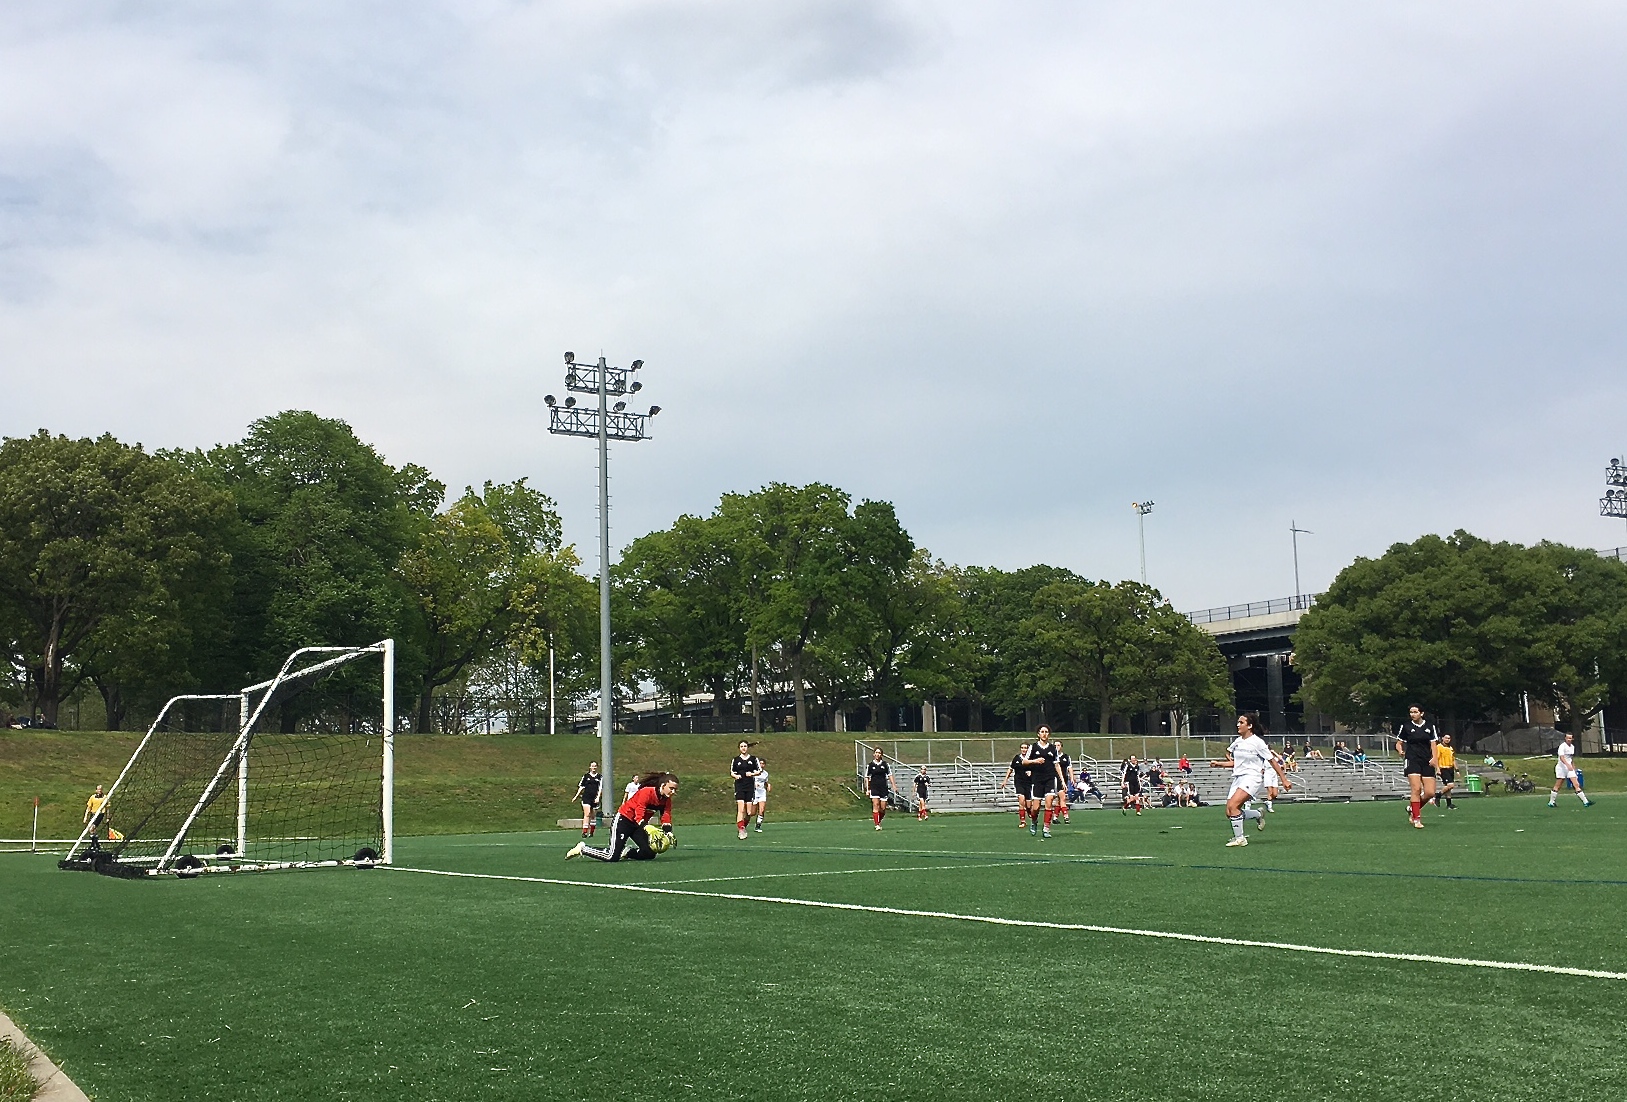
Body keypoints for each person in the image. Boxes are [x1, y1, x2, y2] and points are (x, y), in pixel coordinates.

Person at [1211, 712, 1289, 846]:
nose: (1238, 725)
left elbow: (1272, 761)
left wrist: (1284, 779)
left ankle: (1240, 839)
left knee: (1234, 806)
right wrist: (1220, 764)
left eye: (1241, 722)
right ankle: (1257, 814)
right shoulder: (1238, 741)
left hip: (1252, 778)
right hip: (1238, 778)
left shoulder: (1258, 743)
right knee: (1229, 812)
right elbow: (1237, 762)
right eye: (1238, 722)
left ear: (1250, 726)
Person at [567, 773, 678, 862]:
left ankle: (627, 852)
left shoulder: (666, 800)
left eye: (675, 789)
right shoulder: (647, 792)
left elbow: (666, 815)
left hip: (637, 825)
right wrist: (647, 827)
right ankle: (583, 848)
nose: (673, 792)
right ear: (663, 786)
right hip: (623, 820)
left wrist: (668, 832)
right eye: (671, 788)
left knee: (649, 853)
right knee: (612, 857)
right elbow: (639, 811)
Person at [1394, 705, 1440, 828]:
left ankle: (1412, 809)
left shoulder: (1430, 726)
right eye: (1411, 712)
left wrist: (1434, 758)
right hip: (1412, 759)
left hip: (1427, 760)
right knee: (1416, 789)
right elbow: (1399, 743)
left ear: (1422, 713)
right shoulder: (1406, 726)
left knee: (1430, 793)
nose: (1413, 714)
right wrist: (1400, 750)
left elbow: (1433, 744)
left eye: (1415, 712)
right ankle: (1416, 819)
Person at [1023, 727, 1065, 838]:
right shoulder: (1033, 747)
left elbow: (1057, 764)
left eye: (1046, 732)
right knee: (1035, 808)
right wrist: (1035, 761)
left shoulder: (1052, 748)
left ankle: (1046, 828)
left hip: (1050, 778)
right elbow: (1024, 761)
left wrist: (1062, 780)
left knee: (1049, 801)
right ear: (1038, 734)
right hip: (1037, 780)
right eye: (1042, 732)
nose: (1044, 734)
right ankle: (1034, 821)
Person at [1549, 732, 1593, 809]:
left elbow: (1571, 758)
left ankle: (1585, 802)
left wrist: (1573, 766)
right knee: (1558, 785)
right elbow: (1562, 758)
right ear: (1565, 738)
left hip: (1569, 768)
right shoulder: (1562, 746)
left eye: (1570, 738)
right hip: (1561, 768)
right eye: (1568, 738)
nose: (1569, 739)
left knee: (1576, 784)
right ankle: (1551, 802)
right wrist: (1567, 765)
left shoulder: (1572, 747)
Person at [731, 740, 762, 840]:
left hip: (750, 786)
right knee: (741, 809)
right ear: (739, 748)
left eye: (745, 746)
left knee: (749, 812)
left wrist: (752, 774)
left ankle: (743, 826)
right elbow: (732, 772)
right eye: (741, 746)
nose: (743, 748)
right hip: (739, 786)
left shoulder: (753, 759)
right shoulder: (735, 760)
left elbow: (759, 771)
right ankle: (741, 830)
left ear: (747, 747)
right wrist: (736, 776)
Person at [998, 743, 1032, 829]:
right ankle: (1023, 821)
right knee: (1021, 800)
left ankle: (1029, 812)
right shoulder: (1016, 758)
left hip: (1028, 783)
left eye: (1025, 748)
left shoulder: (1031, 759)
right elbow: (1010, 769)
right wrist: (1005, 780)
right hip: (1019, 782)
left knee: (1028, 805)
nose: (1024, 750)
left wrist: (1032, 772)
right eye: (1022, 748)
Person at [865, 747, 895, 829]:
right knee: (876, 805)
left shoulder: (885, 764)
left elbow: (890, 775)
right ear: (874, 754)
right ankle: (877, 824)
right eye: (876, 752)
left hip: (883, 788)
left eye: (879, 753)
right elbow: (867, 777)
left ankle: (878, 820)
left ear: (881, 754)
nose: (877, 754)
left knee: (883, 808)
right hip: (874, 788)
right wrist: (868, 789)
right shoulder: (870, 765)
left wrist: (894, 785)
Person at [573, 763, 602, 838]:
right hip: (586, 797)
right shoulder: (586, 776)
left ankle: (591, 832)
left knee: (593, 815)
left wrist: (598, 797)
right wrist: (576, 796)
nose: (594, 767)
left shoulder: (599, 777)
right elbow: (581, 787)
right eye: (592, 766)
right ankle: (584, 832)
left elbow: (600, 788)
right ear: (590, 767)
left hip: (595, 798)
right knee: (587, 813)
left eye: (595, 766)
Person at [1433, 735, 1457, 809]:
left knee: (1449, 788)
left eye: (1449, 738)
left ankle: (1449, 804)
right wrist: (1437, 768)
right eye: (1446, 738)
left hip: (1450, 768)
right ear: (1442, 738)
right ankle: (1438, 796)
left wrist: (1457, 769)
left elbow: (1453, 759)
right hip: (1443, 768)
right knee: (1451, 785)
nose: (1447, 739)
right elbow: (1436, 758)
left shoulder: (1450, 748)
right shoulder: (1439, 747)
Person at [1055, 745, 1075, 823]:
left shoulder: (1066, 757)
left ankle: (1055, 817)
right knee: (1062, 798)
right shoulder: (1052, 756)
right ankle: (1066, 817)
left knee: (1059, 799)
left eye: (1058, 745)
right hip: (1055, 779)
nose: (1057, 747)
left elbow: (1069, 767)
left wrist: (1072, 777)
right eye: (1055, 745)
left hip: (1064, 779)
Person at [751, 758, 772, 832]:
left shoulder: (765, 774)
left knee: (762, 810)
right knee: (752, 812)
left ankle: (758, 826)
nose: (761, 765)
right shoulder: (753, 772)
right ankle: (742, 823)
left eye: (763, 764)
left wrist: (768, 785)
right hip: (754, 793)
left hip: (762, 793)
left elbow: (765, 782)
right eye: (760, 763)